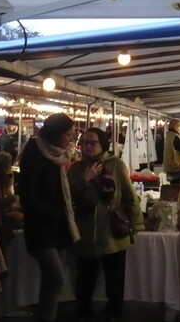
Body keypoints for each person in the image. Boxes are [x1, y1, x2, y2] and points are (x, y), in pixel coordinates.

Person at [68, 127, 144, 321]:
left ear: (102, 144)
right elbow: (67, 194)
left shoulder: (116, 165)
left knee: (115, 277)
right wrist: (86, 178)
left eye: (93, 142)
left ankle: (114, 312)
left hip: (112, 230)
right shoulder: (76, 168)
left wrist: (136, 223)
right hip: (85, 231)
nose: (88, 147)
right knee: (85, 277)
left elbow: (129, 195)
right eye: (85, 143)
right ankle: (83, 311)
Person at [17, 113, 80, 322]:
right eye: (68, 135)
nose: (71, 139)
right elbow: (29, 194)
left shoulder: (59, 155)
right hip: (41, 228)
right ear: (56, 133)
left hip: (59, 228)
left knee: (51, 281)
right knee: (55, 278)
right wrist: (53, 213)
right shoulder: (34, 153)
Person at [163, 118, 180, 184]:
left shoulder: (168, 136)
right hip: (176, 167)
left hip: (169, 166)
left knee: (173, 186)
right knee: (178, 186)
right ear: (175, 126)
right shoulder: (175, 137)